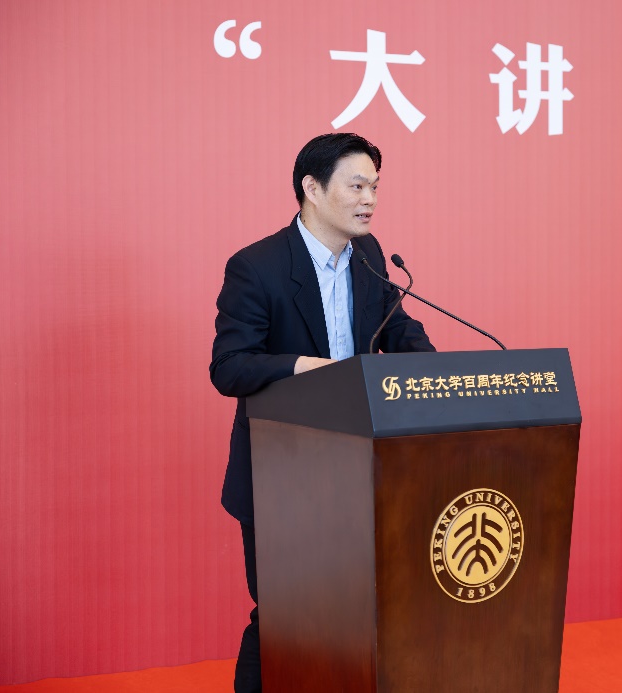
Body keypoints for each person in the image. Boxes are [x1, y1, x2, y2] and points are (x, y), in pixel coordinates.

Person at [209, 133, 435, 692]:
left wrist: (439, 376)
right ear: (312, 188)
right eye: (356, 186)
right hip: (281, 473)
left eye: (374, 187)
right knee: (282, 615)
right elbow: (229, 367)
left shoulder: (371, 257)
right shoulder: (257, 266)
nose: (370, 200)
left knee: (351, 611)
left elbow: (399, 331)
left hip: (356, 468)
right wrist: (305, 367)